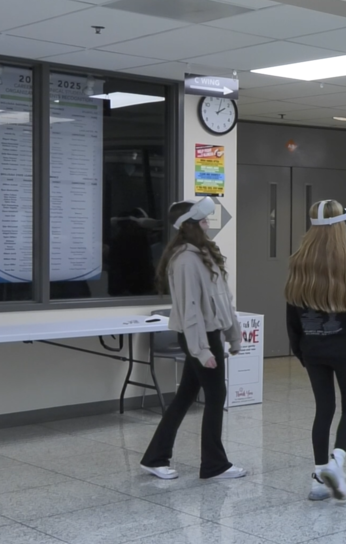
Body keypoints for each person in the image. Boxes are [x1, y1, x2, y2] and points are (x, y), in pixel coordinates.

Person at [140, 197, 245, 481]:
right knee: (215, 396)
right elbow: (190, 310)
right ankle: (214, 465)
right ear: (190, 225)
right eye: (202, 221)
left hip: (209, 335)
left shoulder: (203, 254)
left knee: (185, 396)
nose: (207, 225)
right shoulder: (186, 260)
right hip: (199, 337)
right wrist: (201, 349)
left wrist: (233, 336)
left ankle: (154, 457)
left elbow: (223, 301)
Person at [286, 200, 346, 501]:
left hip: (312, 348)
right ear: (341, 226)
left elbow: (291, 312)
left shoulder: (298, 260)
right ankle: (337, 463)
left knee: (323, 409)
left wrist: (300, 349)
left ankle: (318, 475)